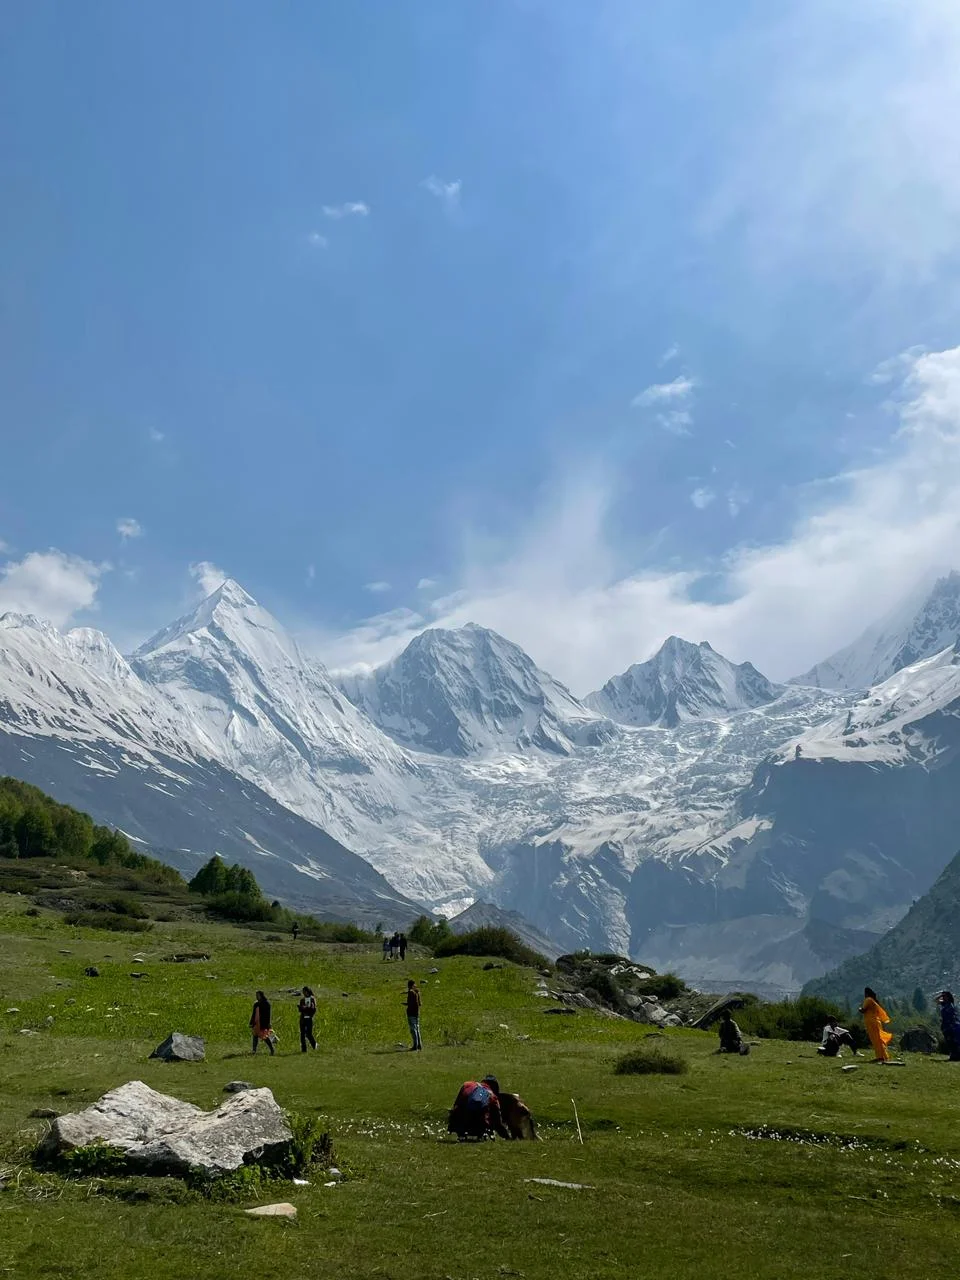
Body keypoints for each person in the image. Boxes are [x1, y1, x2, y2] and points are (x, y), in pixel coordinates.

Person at [448, 1078, 512, 1141]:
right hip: (479, 1125)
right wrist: (507, 1136)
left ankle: (461, 1133)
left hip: (461, 1122)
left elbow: (456, 1105)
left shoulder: (468, 1084)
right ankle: (480, 1133)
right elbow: (498, 1123)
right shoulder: (492, 1096)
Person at [480, 1075, 538, 1140]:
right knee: (518, 1134)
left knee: (516, 1133)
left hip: (516, 1111)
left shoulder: (492, 1099)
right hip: (518, 1110)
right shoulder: (502, 1098)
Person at [861, 987, 893, 1062]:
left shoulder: (868, 999)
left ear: (866, 993)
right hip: (876, 1022)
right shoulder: (873, 1001)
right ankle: (883, 1056)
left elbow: (863, 1010)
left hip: (871, 1022)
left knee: (876, 1040)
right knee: (879, 1039)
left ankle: (880, 1057)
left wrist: (860, 1009)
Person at [936, 991, 960, 1061]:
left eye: (945, 996)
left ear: (948, 997)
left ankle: (955, 1056)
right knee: (949, 1041)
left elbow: (952, 1017)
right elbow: (936, 1001)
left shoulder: (950, 1005)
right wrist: (940, 996)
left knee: (953, 1041)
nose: (943, 997)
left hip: (950, 1026)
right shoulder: (944, 1004)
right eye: (943, 996)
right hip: (945, 1026)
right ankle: (953, 1056)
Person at [250, 990, 275, 1055]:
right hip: (256, 1023)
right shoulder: (256, 1004)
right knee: (255, 1036)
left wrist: (268, 1023)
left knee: (265, 1037)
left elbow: (268, 1014)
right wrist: (251, 1022)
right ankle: (254, 1050)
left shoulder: (266, 1003)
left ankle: (272, 1049)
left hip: (263, 1023)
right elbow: (253, 1014)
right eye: (256, 995)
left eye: (258, 995)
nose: (257, 996)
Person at [298, 986, 317, 1053]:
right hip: (303, 1019)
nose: (304, 993)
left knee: (309, 1034)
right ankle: (304, 1049)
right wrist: (301, 1008)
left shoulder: (312, 999)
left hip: (309, 1018)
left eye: (305, 991)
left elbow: (314, 1009)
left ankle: (314, 1045)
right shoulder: (302, 1000)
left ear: (308, 991)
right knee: (302, 1034)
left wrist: (307, 1008)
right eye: (303, 992)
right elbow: (300, 1010)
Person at [406, 978, 422, 1051]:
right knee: (417, 1029)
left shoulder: (411, 992)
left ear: (410, 985)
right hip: (417, 1013)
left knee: (413, 1030)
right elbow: (419, 1003)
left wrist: (408, 1005)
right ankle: (419, 1045)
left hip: (411, 1013)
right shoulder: (417, 992)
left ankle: (415, 1046)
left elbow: (413, 1003)